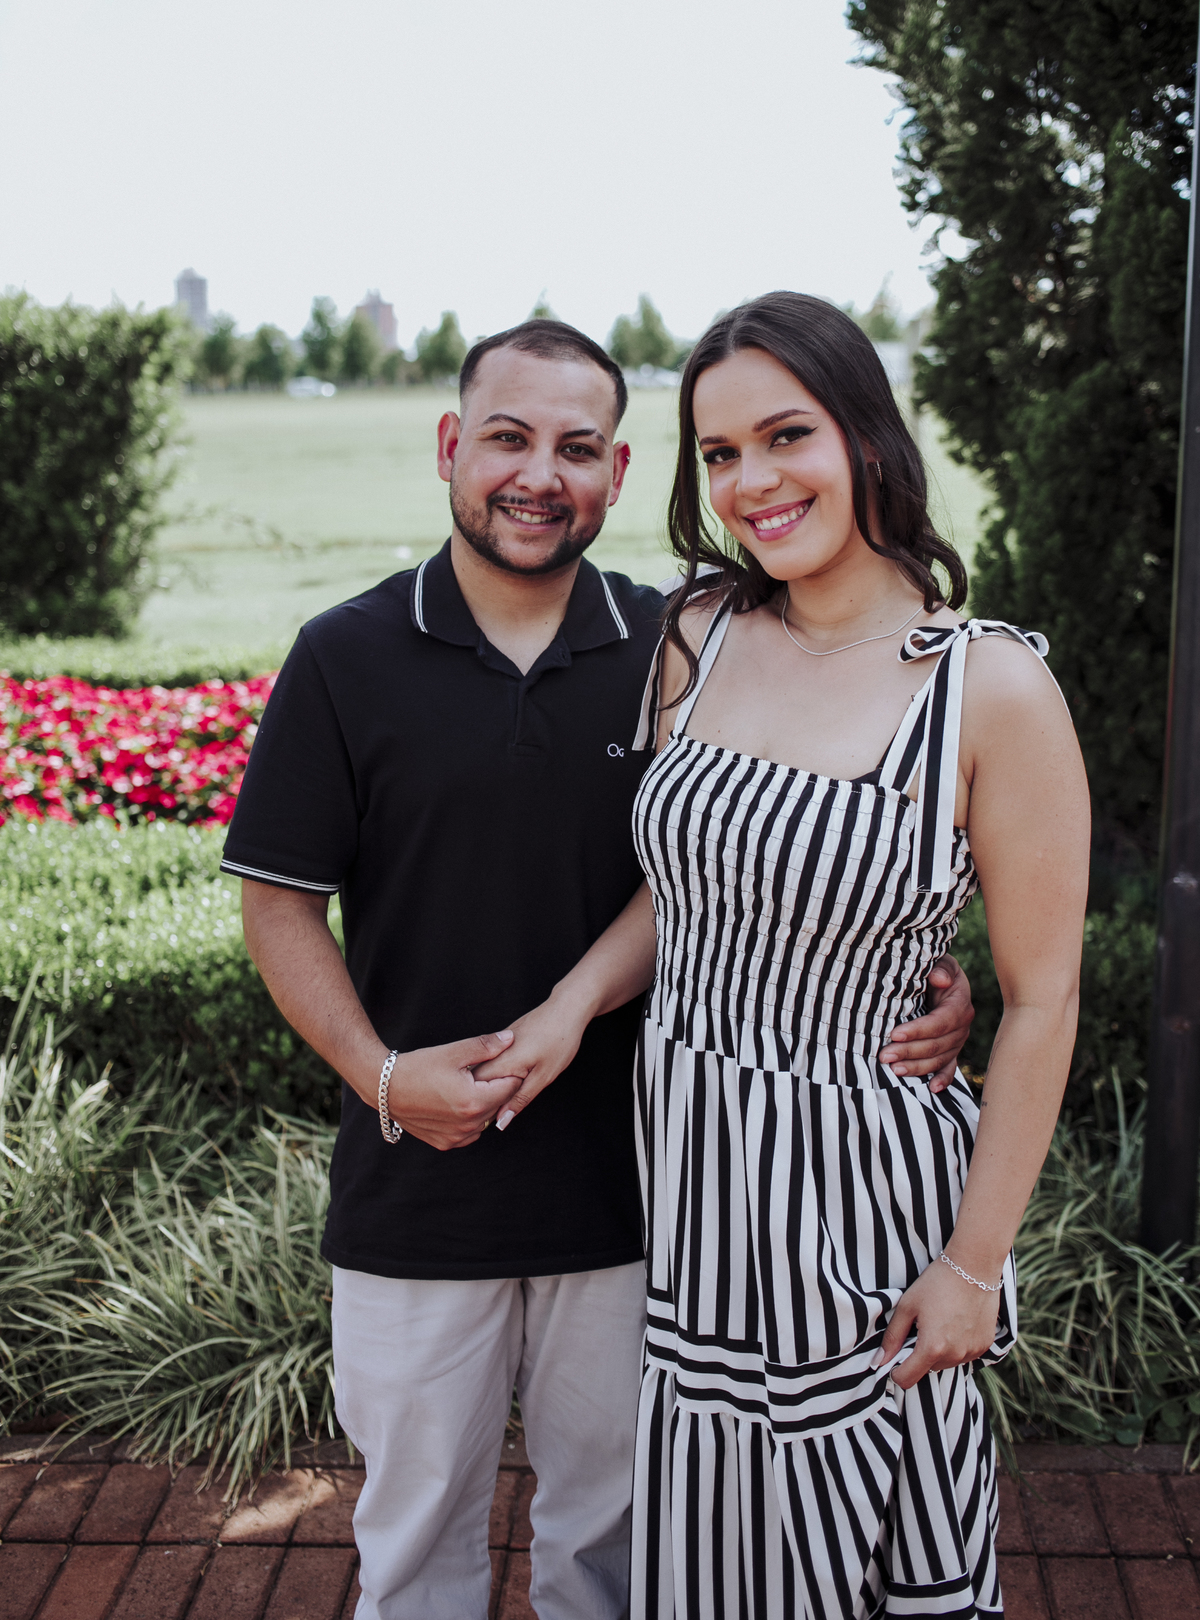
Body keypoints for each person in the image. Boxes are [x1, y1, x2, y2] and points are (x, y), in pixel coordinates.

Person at [221, 316, 977, 1620]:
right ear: (451, 445)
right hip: (416, 1194)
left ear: (620, 473)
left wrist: (913, 971)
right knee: (413, 1555)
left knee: (612, 1558)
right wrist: (385, 1077)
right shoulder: (346, 653)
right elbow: (279, 902)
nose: (540, 475)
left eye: (578, 448)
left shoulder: (685, 644)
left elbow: (783, 842)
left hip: (645, 1197)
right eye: (507, 438)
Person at [482, 295, 1089, 1619]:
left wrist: (972, 1268)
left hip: (859, 1191)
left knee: (848, 1543)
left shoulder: (988, 688)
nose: (751, 480)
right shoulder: (698, 636)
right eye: (719, 452)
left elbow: (1046, 1001)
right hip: (695, 1173)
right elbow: (693, 893)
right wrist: (572, 1006)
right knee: (716, 1551)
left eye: (786, 435)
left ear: (866, 434)